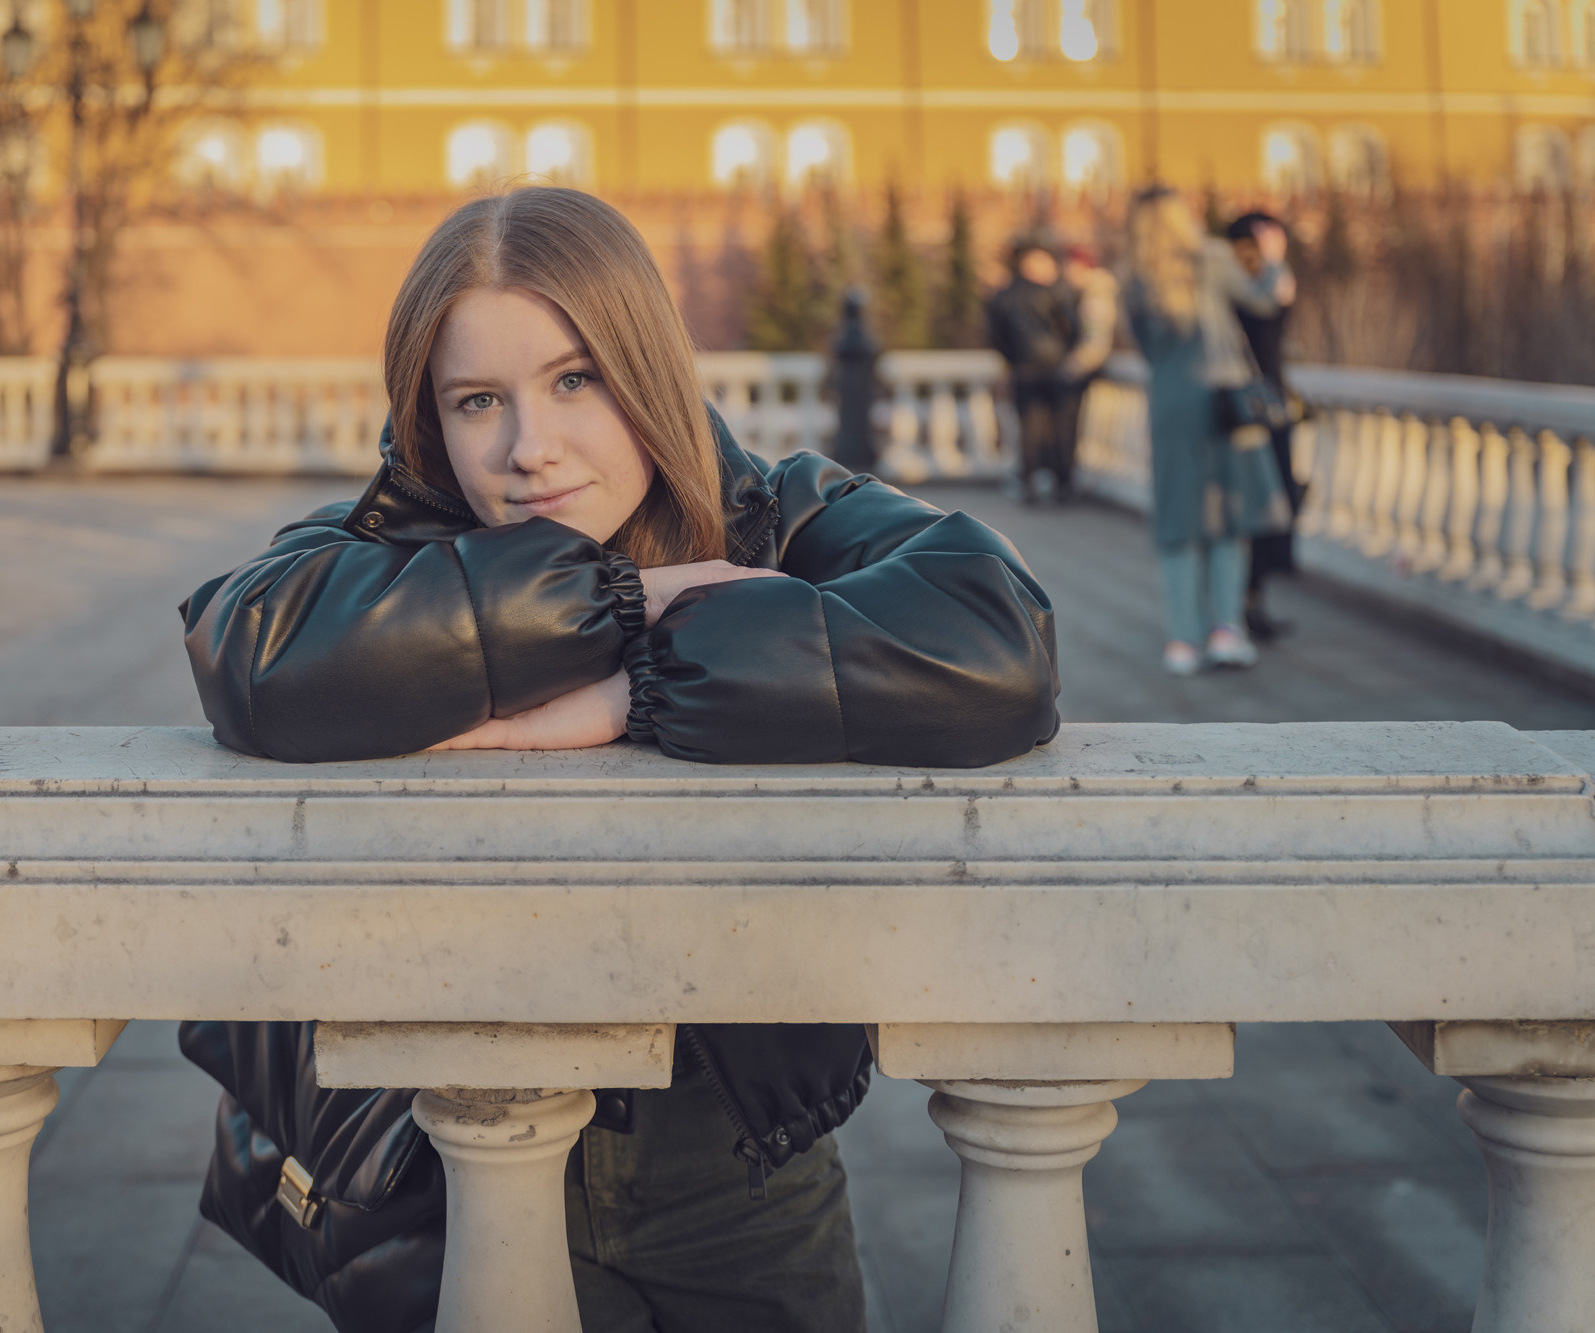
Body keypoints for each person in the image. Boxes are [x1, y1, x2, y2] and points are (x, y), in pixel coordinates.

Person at [177, 187, 1061, 1333]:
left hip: (738, 1170)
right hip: (437, 1157)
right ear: (428, 420)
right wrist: (629, 599)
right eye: (476, 399)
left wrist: (637, 692)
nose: (528, 449)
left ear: (644, 365)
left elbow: (996, 642)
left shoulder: (774, 517)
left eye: (574, 379)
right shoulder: (392, 539)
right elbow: (250, 651)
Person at [1122, 188, 1294, 677]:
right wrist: (1274, 260)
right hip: (1225, 404)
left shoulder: (1134, 278)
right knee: (1230, 517)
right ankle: (1226, 632)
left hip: (1171, 405)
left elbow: (1144, 348)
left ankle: (1182, 641)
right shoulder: (1213, 259)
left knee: (1179, 522)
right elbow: (1265, 301)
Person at [1226, 212, 1300, 641]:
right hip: (1249, 413)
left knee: (1271, 508)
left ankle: (1250, 600)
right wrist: (1273, 265)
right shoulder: (1243, 289)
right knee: (1254, 509)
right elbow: (1268, 315)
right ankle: (1241, 605)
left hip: (1265, 408)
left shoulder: (1258, 283)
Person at [986, 240, 1079, 504]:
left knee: (1029, 428)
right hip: (1057, 369)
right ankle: (1063, 483)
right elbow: (1071, 326)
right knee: (1062, 428)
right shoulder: (1057, 292)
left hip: (1024, 369)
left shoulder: (1003, 295)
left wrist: (1013, 358)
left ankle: (1030, 481)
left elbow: (995, 335)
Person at [1056, 244, 1118, 501]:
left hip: (1083, 370)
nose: (1066, 274)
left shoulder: (1096, 297)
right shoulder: (1090, 293)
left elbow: (1097, 341)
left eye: (1070, 268)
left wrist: (1072, 368)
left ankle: (1067, 482)